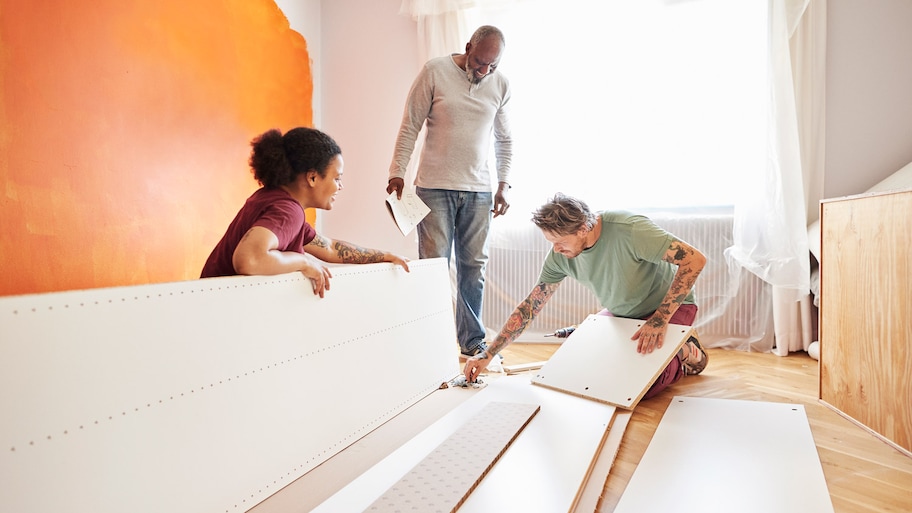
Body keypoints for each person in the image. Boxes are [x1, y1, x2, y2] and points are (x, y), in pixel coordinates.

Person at [463, 193, 709, 399]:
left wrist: (659, 319)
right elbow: (529, 308)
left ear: (583, 229)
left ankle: (686, 351)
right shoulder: (560, 256)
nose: (556, 250)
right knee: (592, 374)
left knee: (642, 387)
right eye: (551, 242)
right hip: (621, 314)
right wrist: (489, 354)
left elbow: (694, 260)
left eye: (560, 242)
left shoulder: (631, 229)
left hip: (670, 308)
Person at [387, 25, 513, 359]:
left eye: (492, 66)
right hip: (433, 188)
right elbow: (410, 124)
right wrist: (397, 172)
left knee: (474, 268)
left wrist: (503, 184)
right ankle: (433, 338)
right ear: (468, 46)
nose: (484, 71)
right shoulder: (435, 71)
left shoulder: (500, 85)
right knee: (433, 267)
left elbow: (504, 140)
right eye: (479, 62)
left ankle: (472, 341)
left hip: (479, 191)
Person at [202, 127, 410, 295]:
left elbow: (330, 248)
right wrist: (303, 262)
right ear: (312, 178)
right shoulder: (288, 211)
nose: (340, 186)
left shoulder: (273, 199)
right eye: (337, 178)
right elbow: (249, 259)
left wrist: (386, 256)